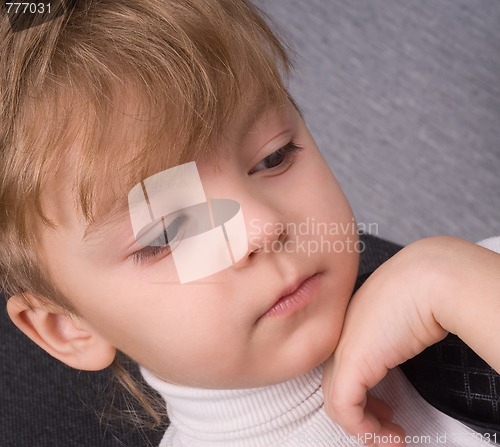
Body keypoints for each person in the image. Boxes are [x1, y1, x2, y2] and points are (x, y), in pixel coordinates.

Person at [0, 1, 499, 446]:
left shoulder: (466, 284)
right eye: (167, 233)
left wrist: (459, 285)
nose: (261, 227)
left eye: (274, 157)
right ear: (67, 327)